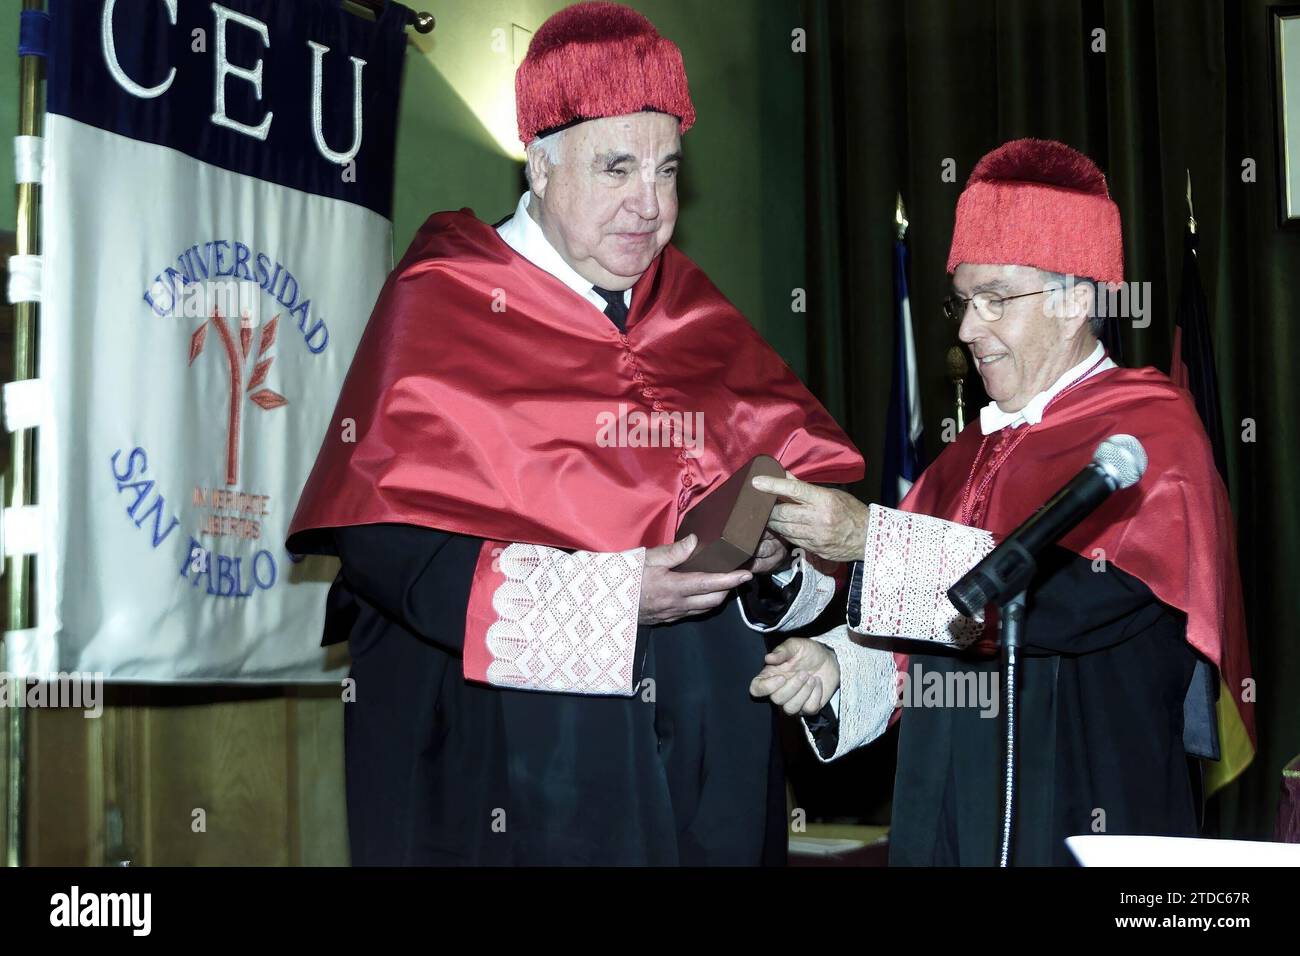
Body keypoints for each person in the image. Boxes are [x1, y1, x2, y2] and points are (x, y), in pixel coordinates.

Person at [286, 1, 863, 866]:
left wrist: (772, 558)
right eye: (618, 167)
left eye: (668, 169)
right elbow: (389, 549)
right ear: (541, 165)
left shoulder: (696, 315)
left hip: (712, 759)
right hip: (519, 764)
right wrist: (611, 600)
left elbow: (809, 518)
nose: (650, 204)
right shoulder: (445, 297)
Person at [746, 139, 1254, 866]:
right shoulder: (968, 455)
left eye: (996, 300)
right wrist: (838, 667)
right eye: (963, 299)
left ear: (1076, 300)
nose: (964, 328)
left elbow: (1061, 606)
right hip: (945, 809)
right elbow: (932, 635)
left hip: (1085, 800)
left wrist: (870, 537)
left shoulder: (1148, 433)